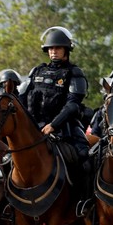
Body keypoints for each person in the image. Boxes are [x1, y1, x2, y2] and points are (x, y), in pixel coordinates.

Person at [25, 26, 92, 214]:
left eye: (58, 48)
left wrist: (53, 125)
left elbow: (72, 105)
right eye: (50, 48)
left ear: (66, 50)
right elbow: (23, 98)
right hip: (35, 126)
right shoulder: (36, 71)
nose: (53, 51)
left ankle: (84, 203)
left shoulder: (74, 73)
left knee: (85, 159)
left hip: (66, 127)